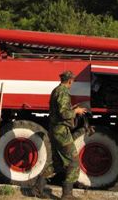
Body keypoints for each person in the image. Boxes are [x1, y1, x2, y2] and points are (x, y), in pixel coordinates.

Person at [32, 70, 87, 199]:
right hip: (61, 131)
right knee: (73, 161)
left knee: (58, 164)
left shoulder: (56, 90)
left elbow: (60, 111)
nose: (72, 83)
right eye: (72, 81)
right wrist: (76, 111)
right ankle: (67, 195)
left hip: (56, 130)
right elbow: (63, 113)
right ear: (70, 81)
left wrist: (72, 109)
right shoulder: (63, 92)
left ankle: (37, 189)